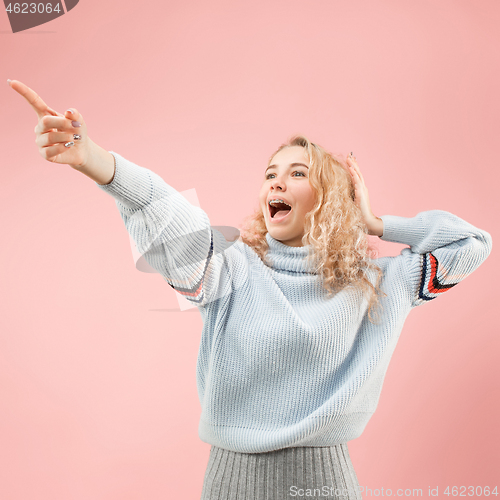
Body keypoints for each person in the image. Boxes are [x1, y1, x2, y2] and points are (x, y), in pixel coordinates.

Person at [9, 79, 493, 500]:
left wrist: (373, 221)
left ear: (331, 198)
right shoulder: (232, 269)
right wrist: (98, 162)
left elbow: (473, 243)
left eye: (297, 174)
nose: (275, 183)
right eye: (270, 175)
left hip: (327, 484)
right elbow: (178, 224)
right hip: (229, 483)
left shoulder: (378, 283)